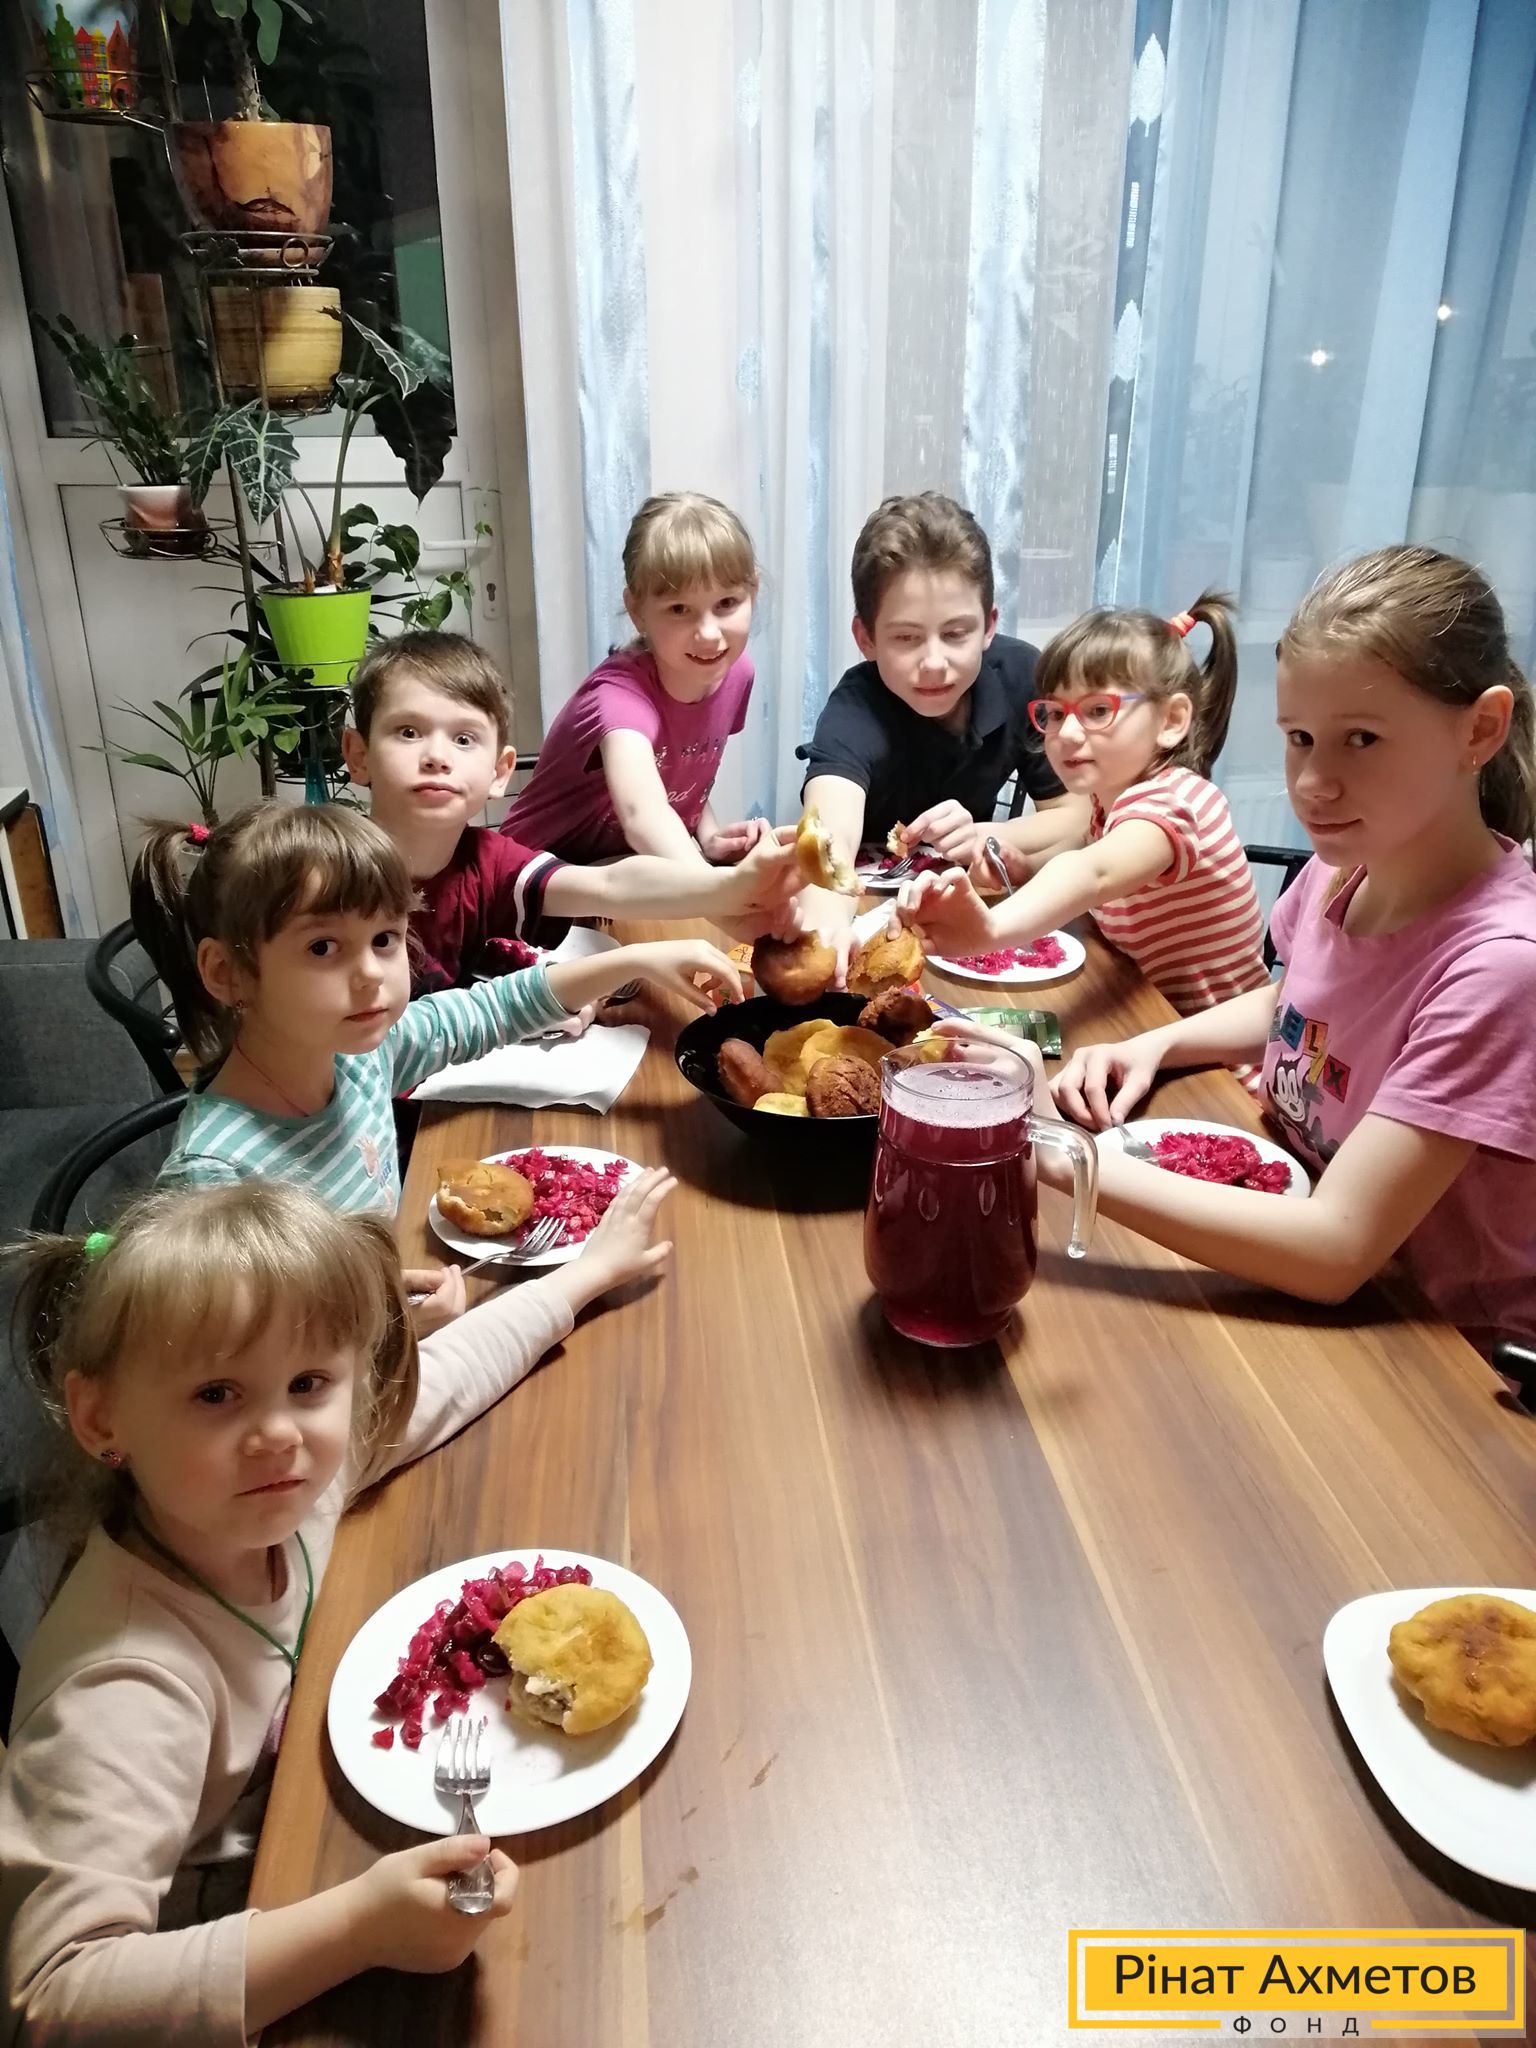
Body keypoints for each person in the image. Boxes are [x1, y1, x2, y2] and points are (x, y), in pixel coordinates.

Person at [0, 1170, 675, 2043]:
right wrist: (361, 1929)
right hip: (224, 1933)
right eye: (216, 1394)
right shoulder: (122, 1685)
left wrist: (585, 1276)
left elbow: (448, 1376)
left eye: (309, 1382)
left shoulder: (273, 1488)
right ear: (101, 1419)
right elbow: (55, 1998)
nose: (281, 1433)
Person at [948, 547, 1536, 1356]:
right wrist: (1155, 1044)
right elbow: (1297, 1002)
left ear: (1481, 729)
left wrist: (1053, 1147)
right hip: (1304, 1259)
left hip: (1439, 1349)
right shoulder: (1347, 868)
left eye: (1362, 739)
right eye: (1301, 738)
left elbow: (1336, 1250)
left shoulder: (1500, 966)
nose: (1313, 782)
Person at [130, 804, 734, 1330]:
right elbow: (245, 1368)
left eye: (384, 939)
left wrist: (637, 960)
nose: (371, 974)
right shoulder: (214, 1179)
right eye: (322, 947)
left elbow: (490, 1010)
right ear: (226, 973)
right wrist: (393, 1330)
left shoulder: (359, 1057)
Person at [895, 594, 1270, 1080]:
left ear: (1172, 721)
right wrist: (1024, 868)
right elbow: (1102, 871)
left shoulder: (1177, 803)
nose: (1066, 734)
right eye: (1054, 713)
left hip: (1225, 1073)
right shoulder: (1108, 801)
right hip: (1140, 1025)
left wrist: (990, 929)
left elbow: (1095, 873)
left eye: (1097, 710)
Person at [342, 631, 806, 993]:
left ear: (500, 772)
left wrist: (730, 890)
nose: (436, 756)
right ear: (358, 755)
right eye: (408, 732)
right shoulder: (330, 874)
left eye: (463, 739)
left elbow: (610, 885)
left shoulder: (489, 862)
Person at [795, 492, 1086, 974]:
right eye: (906, 638)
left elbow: (1075, 815)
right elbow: (828, 838)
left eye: (955, 634)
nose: (934, 663)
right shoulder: (855, 708)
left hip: (968, 916)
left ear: (989, 626)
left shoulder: (1022, 677)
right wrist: (825, 939)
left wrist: (987, 834)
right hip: (870, 917)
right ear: (866, 638)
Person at [500, 492, 770, 866]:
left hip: (619, 871)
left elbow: (682, 771)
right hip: (530, 875)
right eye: (679, 609)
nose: (709, 634)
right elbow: (643, 816)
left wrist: (708, 836)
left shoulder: (736, 674)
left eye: (726, 603)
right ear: (637, 611)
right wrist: (717, 888)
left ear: (752, 592)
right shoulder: (618, 699)